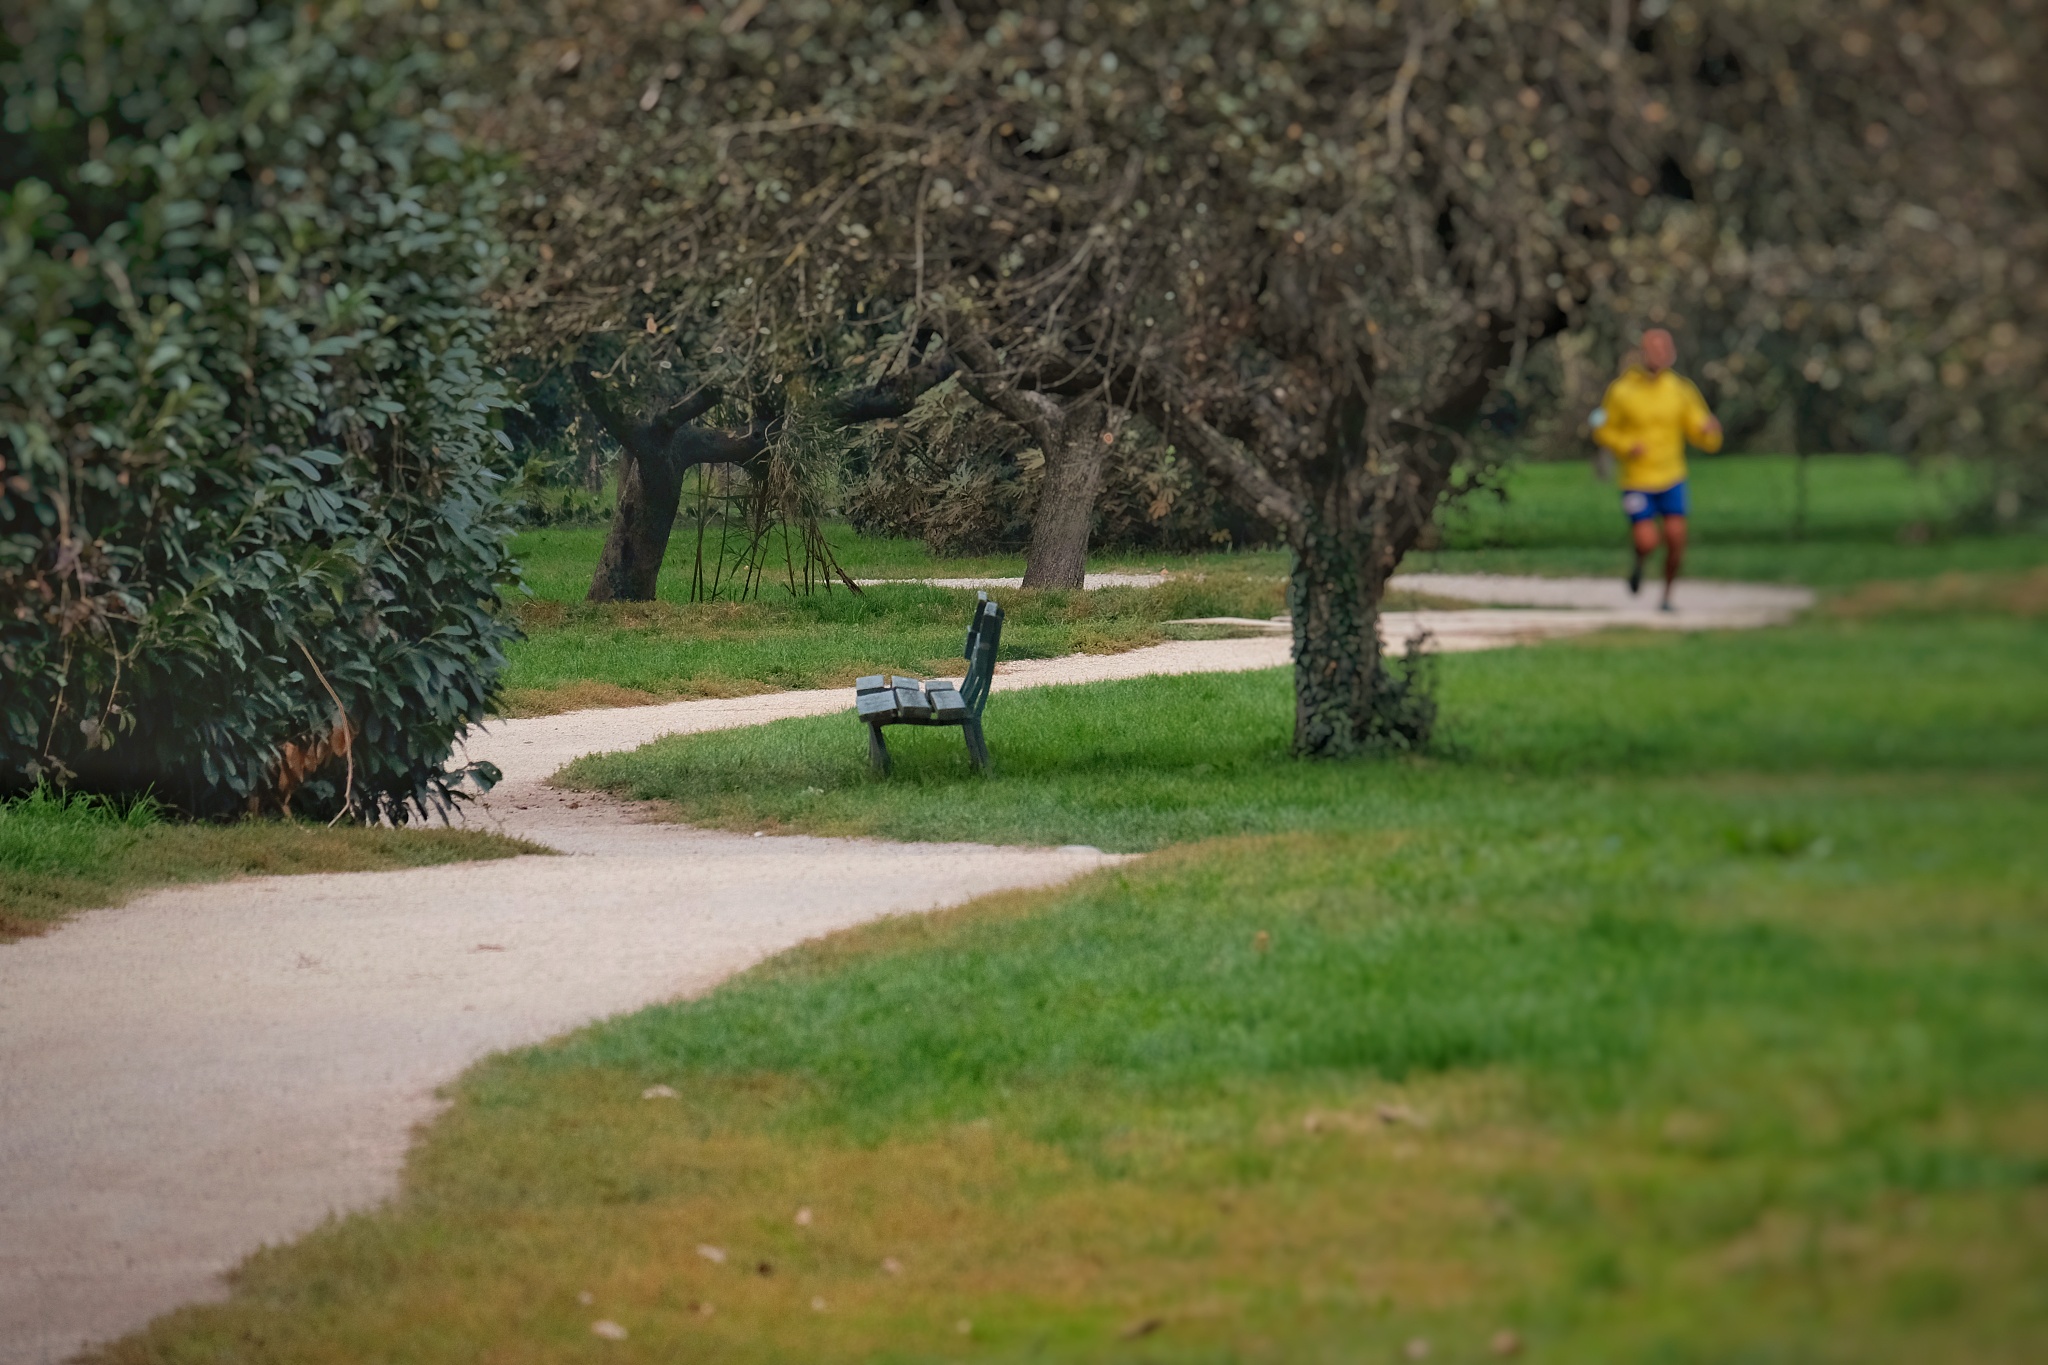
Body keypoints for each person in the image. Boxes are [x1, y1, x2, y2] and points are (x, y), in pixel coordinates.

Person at [1589, 328, 1723, 610]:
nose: (1659, 354)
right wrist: (1626, 446)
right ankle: (1639, 561)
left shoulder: (1681, 390)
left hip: (1672, 475)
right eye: (1653, 349)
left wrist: (1709, 432)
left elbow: (1698, 427)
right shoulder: (1622, 390)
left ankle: (1667, 596)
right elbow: (1602, 428)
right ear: (1643, 353)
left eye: (1664, 349)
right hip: (1637, 478)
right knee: (1648, 541)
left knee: (1676, 538)